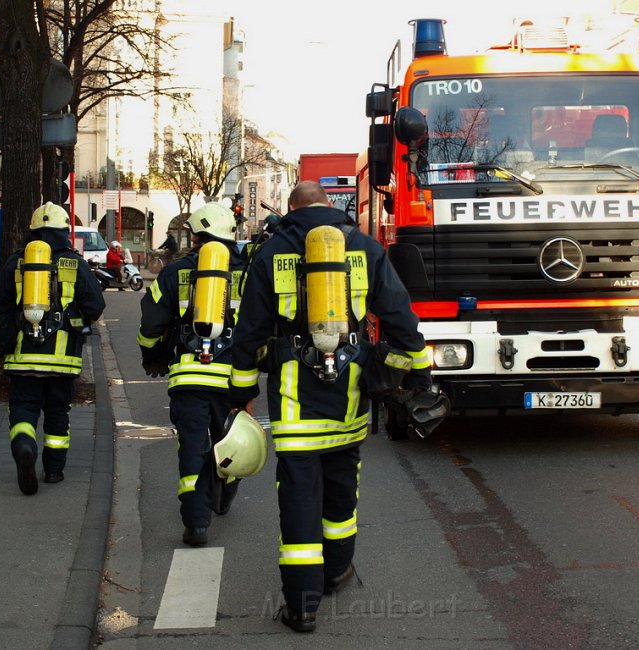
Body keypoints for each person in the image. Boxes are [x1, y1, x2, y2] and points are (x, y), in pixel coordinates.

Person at [229, 181, 436, 633]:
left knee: (300, 500)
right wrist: (420, 375)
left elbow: (248, 333)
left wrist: (238, 394)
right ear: (329, 205)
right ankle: (337, 572)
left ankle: (301, 607)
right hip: (350, 401)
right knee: (343, 489)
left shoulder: (271, 253)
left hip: (294, 402)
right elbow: (400, 316)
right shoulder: (363, 248)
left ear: (291, 210)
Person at [137, 203, 247, 547]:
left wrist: (152, 355)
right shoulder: (248, 273)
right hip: (233, 378)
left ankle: (196, 522)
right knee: (228, 441)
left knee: (192, 447)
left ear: (196, 236)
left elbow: (151, 324)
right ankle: (225, 490)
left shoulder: (174, 273)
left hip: (189, 377)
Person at [0, 202, 106, 495]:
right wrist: (74, 319)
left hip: (22, 358)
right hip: (62, 360)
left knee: (23, 410)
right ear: (63, 231)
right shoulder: (74, 263)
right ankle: (54, 470)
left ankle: (25, 447)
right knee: (57, 413)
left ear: (33, 230)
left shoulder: (16, 262)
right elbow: (95, 306)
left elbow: (0, 305)